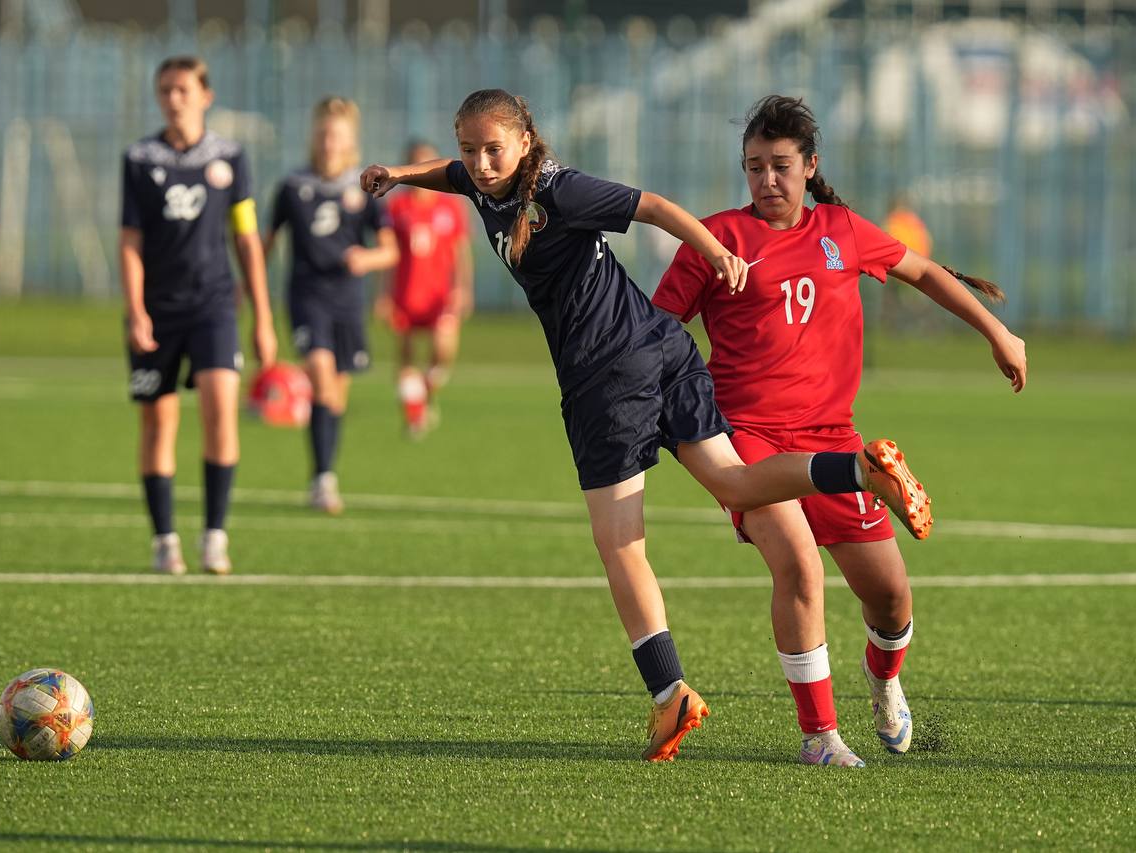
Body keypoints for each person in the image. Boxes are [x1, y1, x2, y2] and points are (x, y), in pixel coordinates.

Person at [361, 88, 934, 762]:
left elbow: (654, 207)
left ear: (525, 142)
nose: (480, 164)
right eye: (469, 150)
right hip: (664, 346)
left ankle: (669, 696)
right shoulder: (484, 178)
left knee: (621, 544)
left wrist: (715, 250)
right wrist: (400, 176)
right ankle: (858, 470)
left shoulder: (559, 190)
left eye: (493, 150)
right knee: (740, 484)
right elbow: (453, 178)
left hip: (607, 377)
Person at [654, 95, 1026, 767]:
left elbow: (924, 273)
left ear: (810, 166)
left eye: (781, 166)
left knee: (890, 599)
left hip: (833, 437)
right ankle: (819, 736)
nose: (767, 180)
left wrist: (997, 332)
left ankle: (884, 682)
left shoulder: (844, 232)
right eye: (754, 167)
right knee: (797, 562)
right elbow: (656, 331)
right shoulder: (716, 240)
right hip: (748, 439)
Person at [120, 56, 277, 575]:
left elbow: (246, 238)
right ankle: (165, 539)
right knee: (158, 421)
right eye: (165, 89)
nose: (174, 98)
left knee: (219, 409)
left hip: (213, 305)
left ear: (205, 95)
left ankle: (214, 535)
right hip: (158, 311)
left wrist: (263, 316)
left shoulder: (230, 158)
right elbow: (130, 241)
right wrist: (136, 309)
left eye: (183, 89)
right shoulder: (140, 159)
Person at [264, 97, 398, 514]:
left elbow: (390, 251)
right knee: (320, 374)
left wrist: (366, 259)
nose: (328, 142)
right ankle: (324, 480)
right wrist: (246, 287)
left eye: (336, 135)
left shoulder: (365, 189)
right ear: (314, 136)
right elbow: (264, 244)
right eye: (322, 133)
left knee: (336, 393)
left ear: (350, 140)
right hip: (306, 297)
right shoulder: (291, 186)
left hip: (347, 301)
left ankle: (322, 471)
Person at [377, 139, 475, 437]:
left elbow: (461, 252)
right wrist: (383, 294)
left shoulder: (451, 207)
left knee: (444, 349)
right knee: (406, 357)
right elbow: (388, 254)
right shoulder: (396, 208)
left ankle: (424, 391)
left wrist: (464, 288)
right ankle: (415, 415)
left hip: (440, 296)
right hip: (406, 294)